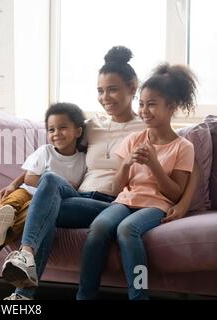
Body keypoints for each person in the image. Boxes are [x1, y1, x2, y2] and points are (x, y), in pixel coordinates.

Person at [0, 46, 199, 300]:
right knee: (48, 185)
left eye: (113, 89)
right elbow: (52, 149)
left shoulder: (148, 126)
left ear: (132, 88)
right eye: (100, 91)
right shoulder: (91, 126)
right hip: (86, 197)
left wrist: (182, 205)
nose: (105, 97)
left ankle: (26, 291)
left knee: (66, 217)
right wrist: (16, 182)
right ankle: (25, 261)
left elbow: (191, 168)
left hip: (110, 200)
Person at [77, 63, 197, 300]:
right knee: (99, 227)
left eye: (152, 104)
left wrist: (153, 164)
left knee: (127, 229)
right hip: (125, 201)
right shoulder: (134, 139)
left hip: (155, 206)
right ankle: (85, 295)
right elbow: (115, 188)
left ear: (170, 107)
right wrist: (126, 164)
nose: (144, 110)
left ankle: (139, 295)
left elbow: (174, 194)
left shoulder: (183, 147)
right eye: (142, 104)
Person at [0, 103, 87, 254]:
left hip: (44, 201)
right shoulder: (45, 151)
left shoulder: (83, 159)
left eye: (63, 127)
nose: (56, 133)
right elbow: (29, 178)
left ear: (78, 131)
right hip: (27, 191)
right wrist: (14, 185)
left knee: (29, 214)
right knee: (12, 202)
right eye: (51, 129)